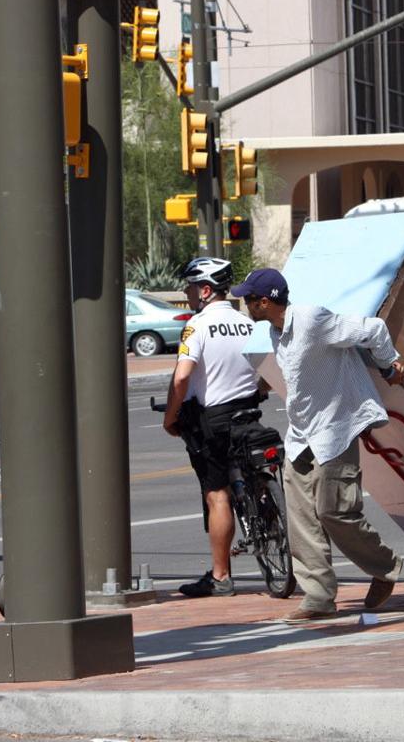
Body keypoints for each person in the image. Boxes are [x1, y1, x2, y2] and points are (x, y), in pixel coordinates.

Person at [231, 268, 404, 623]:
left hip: (336, 427)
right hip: (301, 434)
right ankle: (318, 596)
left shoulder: (311, 319)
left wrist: (390, 365)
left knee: (334, 510)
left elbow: (372, 329)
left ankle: (386, 566)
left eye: (249, 299)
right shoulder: (274, 332)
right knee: (300, 515)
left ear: (265, 301)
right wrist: (261, 386)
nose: (246, 304)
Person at [162, 257, 261, 599]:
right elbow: (265, 374)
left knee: (217, 494)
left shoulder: (197, 325)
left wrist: (170, 417)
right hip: (248, 413)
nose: (187, 293)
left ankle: (220, 576)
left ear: (205, 290)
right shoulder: (246, 323)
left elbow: (182, 376)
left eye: (190, 287)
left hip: (214, 419)